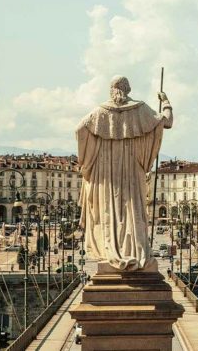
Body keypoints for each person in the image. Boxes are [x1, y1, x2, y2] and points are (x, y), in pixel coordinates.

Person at [77, 76, 173, 271]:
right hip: (132, 168)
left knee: (109, 213)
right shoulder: (140, 109)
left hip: (106, 171)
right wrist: (166, 101)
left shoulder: (100, 112)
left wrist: (88, 160)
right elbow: (167, 122)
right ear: (128, 89)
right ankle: (136, 251)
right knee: (133, 209)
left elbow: (80, 130)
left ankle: (111, 250)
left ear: (112, 90)